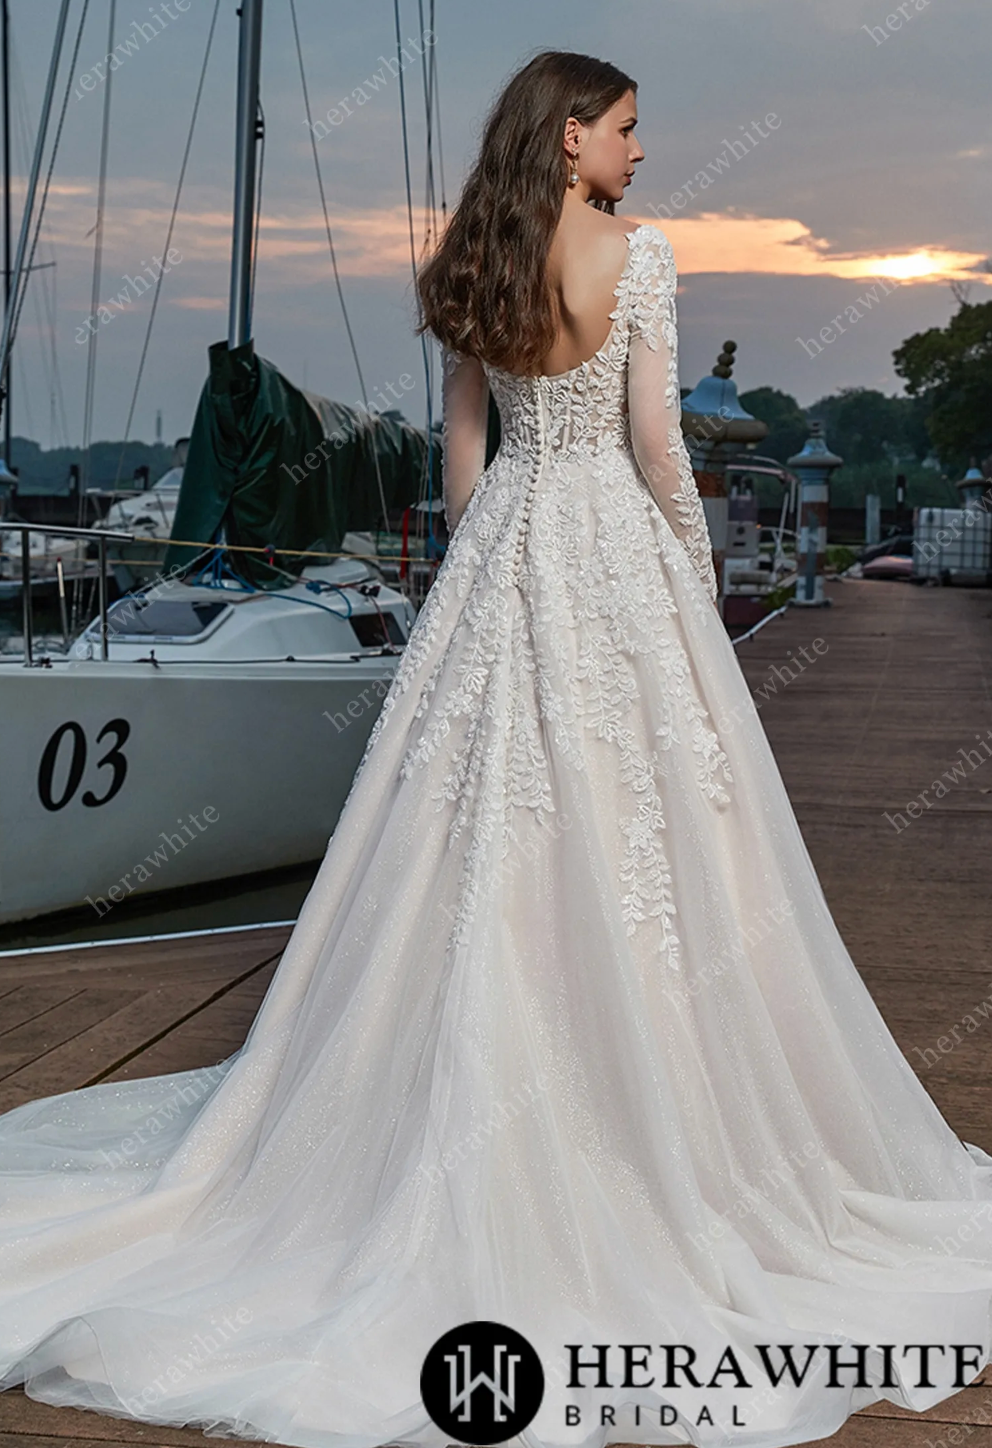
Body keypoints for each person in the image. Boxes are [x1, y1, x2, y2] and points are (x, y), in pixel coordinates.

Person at [1, 47, 991, 1448]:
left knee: (462, 828)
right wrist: (692, 587)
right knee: (657, 829)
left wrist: (487, 582)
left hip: (511, 545)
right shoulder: (637, 261)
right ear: (574, 132)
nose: (645, 153)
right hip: (611, 551)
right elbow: (659, 448)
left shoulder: (472, 263)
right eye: (631, 129)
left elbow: (462, 469)